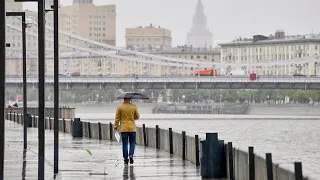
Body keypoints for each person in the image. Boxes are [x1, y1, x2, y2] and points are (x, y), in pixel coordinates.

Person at [114, 98, 140, 165]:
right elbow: (137, 116)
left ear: (124, 99)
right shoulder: (134, 106)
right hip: (132, 128)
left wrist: (115, 127)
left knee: (125, 144)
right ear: (130, 99)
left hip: (124, 129)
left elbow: (117, 118)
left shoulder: (120, 107)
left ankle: (126, 160)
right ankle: (131, 155)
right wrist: (132, 117)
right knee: (132, 143)